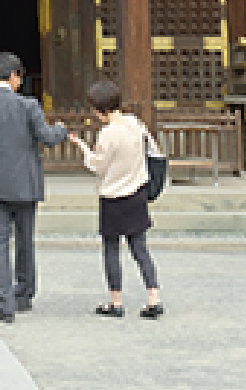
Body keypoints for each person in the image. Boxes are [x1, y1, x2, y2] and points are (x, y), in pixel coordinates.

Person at [0, 51, 68, 324]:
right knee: (24, 240)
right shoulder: (28, 106)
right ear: (13, 76)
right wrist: (61, 130)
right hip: (24, 183)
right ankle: (24, 292)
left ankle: (3, 301)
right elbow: (46, 137)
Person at [70, 80, 163, 319]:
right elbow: (152, 150)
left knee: (112, 248)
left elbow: (97, 166)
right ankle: (153, 297)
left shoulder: (108, 133)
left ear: (101, 109)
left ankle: (116, 301)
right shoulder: (136, 124)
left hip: (113, 196)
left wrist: (82, 147)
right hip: (138, 191)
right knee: (140, 248)